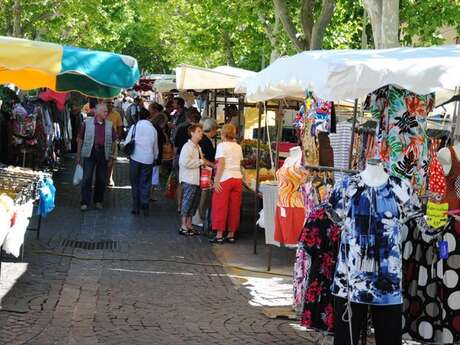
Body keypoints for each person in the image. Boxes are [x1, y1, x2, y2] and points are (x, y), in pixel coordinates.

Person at [76, 103, 117, 211]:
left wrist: (112, 157)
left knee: (101, 179)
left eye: (106, 111)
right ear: (98, 112)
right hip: (90, 151)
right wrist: (78, 155)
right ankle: (85, 202)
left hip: (104, 153)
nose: (106, 113)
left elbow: (114, 142)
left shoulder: (109, 124)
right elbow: (80, 139)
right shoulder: (87, 123)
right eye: (104, 111)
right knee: (87, 178)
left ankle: (98, 201)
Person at [210, 124, 243, 244]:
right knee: (234, 207)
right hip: (237, 178)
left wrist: (216, 180)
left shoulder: (221, 146)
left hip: (225, 178)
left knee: (220, 206)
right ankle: (231, 234)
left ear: (223, 133)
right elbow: (239, 163)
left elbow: (221, 164)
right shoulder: (238, 147)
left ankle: (219, 235)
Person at [126, 108, 158, 216]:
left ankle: (136, 207)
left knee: (135, 183)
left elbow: (127, 142)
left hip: (135, 157)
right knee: (145, 182)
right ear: (149, 117)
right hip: (148, 159)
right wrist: (155, 156)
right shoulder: (153, 129)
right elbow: (155, 146)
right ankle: (145, 203)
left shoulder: (135, 127)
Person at [178, 124, 205, 236]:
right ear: (192, 133)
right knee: (187, 202)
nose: (201, 133)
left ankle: (189, 224)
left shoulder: (198, 147)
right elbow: (185, 162)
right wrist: (200, 162)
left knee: (194, 203)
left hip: (197, 179)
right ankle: (183, 225)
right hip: (189, 179)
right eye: (198, 131)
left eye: (201, 131)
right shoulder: (187, 147)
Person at [173, 108, 201, 211]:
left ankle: (180, 205)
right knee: (192, 184)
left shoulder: (181, 128)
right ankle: (190, 207)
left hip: (180, 157)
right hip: (195, 161)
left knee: (181, 182)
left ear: (188, 117)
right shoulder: (199, 130)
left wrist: (174, 157)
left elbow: (175, 145)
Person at [198, 118, 218, 224]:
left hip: (205, 170)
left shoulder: (204, 139)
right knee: (204, 194)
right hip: (205, 170)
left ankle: (201, 216)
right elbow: (202, 158)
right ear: (212, 129)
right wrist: (213, 165)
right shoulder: (205, 141)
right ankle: (200, 217)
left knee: (204, 194)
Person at [106, 99, 123, 187]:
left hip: (112, 141)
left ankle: (109, 177)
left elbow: (120, 127)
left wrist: (118, 139)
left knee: (111, 161)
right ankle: (102, 177)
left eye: (112, 103)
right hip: (101, 140)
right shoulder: (101, 112)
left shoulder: (116, 114)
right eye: (109, 102)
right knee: (102, 161)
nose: (111, 104)